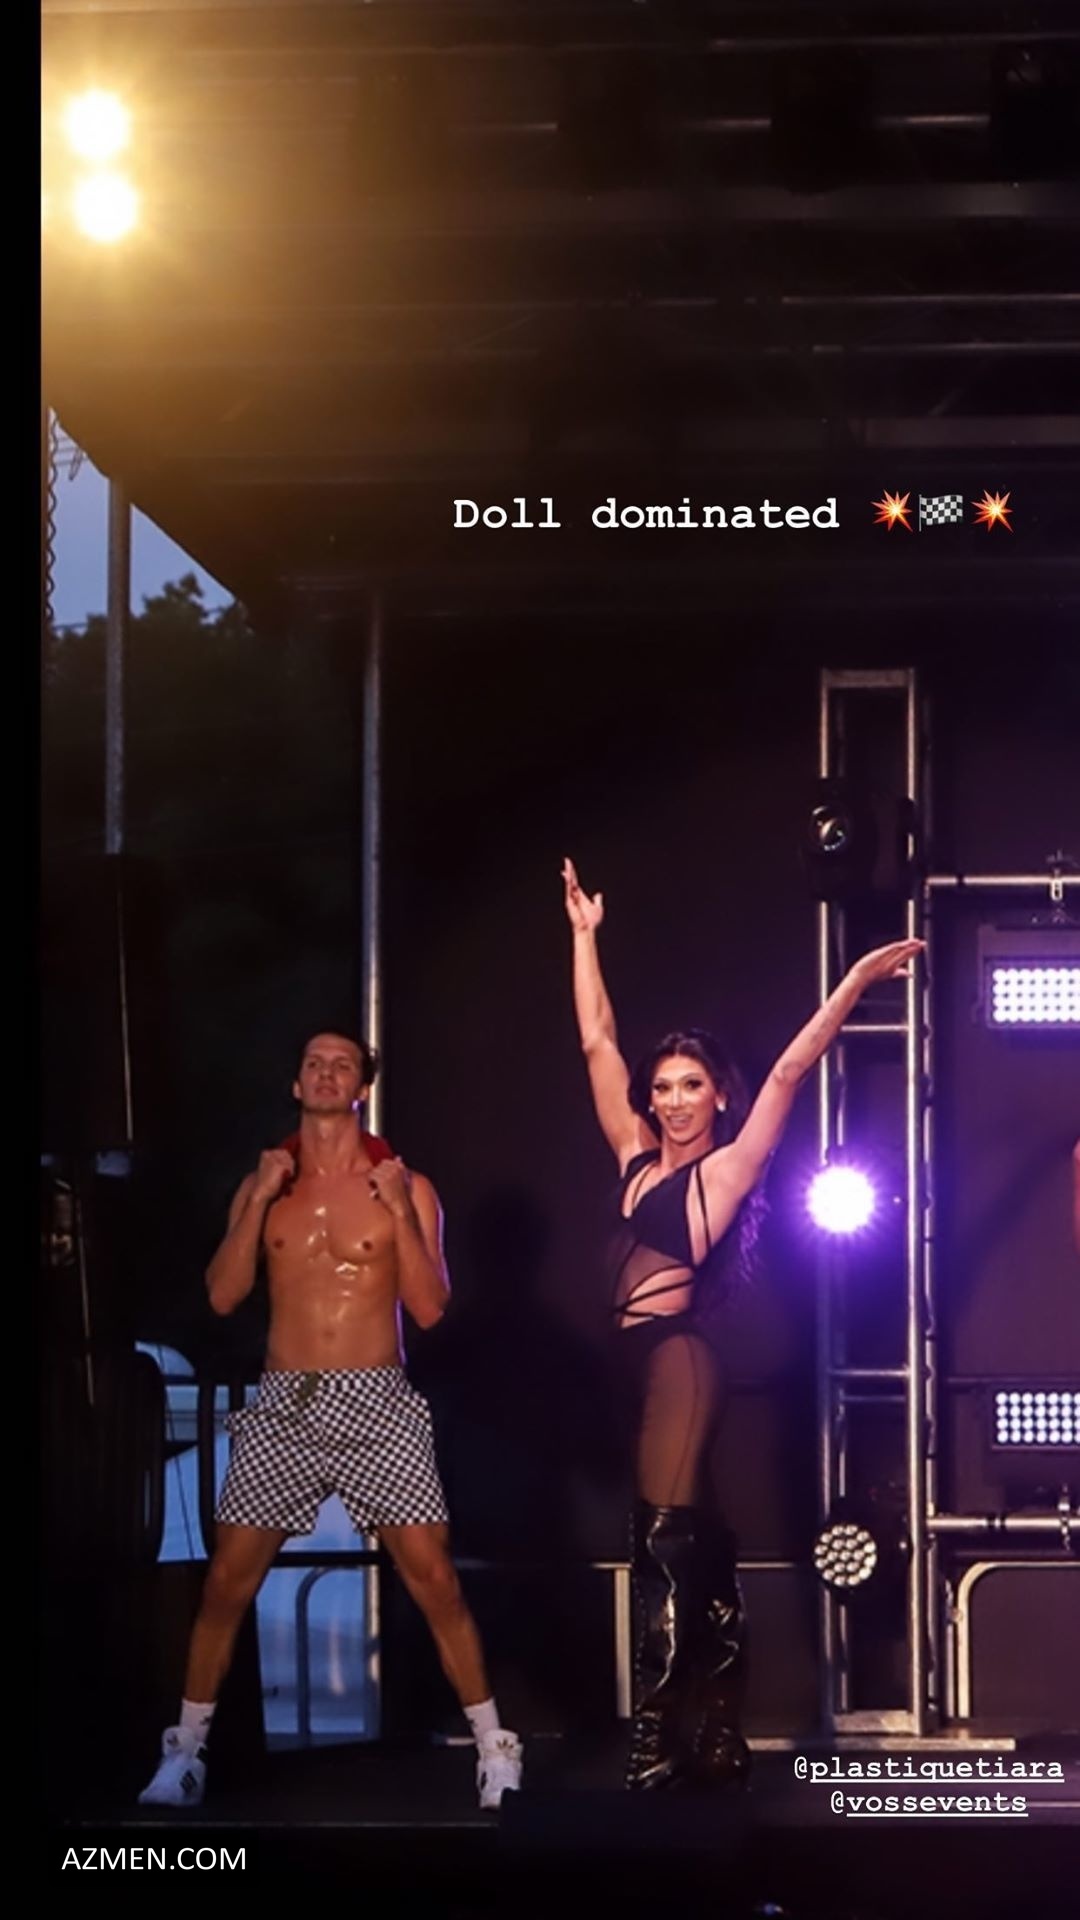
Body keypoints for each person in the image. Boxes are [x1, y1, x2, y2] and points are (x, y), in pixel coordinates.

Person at [562, 858, 923, 1791]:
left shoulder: (724, 1171)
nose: (675, 1099)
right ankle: (721, 1728)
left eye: (692, 1085)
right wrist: (585, 936)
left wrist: (854, 981)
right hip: (630, 1362)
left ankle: (655, 1736)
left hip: (678, 1363)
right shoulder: (634, 1157)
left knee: (657, 1541)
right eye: (664, 1086)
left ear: (718, 1095)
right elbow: (598, 1042)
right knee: (703, 1542)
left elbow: (794, 1067)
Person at [138, 1031, 523, 1812]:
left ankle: (495, 1748)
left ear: (361, 1088)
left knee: (434, 1578)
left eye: (341, 1064)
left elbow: (430, 1307)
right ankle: (184, 1755)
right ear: (296, 1084)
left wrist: (400, 1211)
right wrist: (256, 1198)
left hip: (377, 1397)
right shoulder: (267, 1184)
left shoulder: (406, 1185)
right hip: (285, 1400)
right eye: (313, 1063)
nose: (325, 1072)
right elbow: (221, 1294)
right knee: (226, 1582)